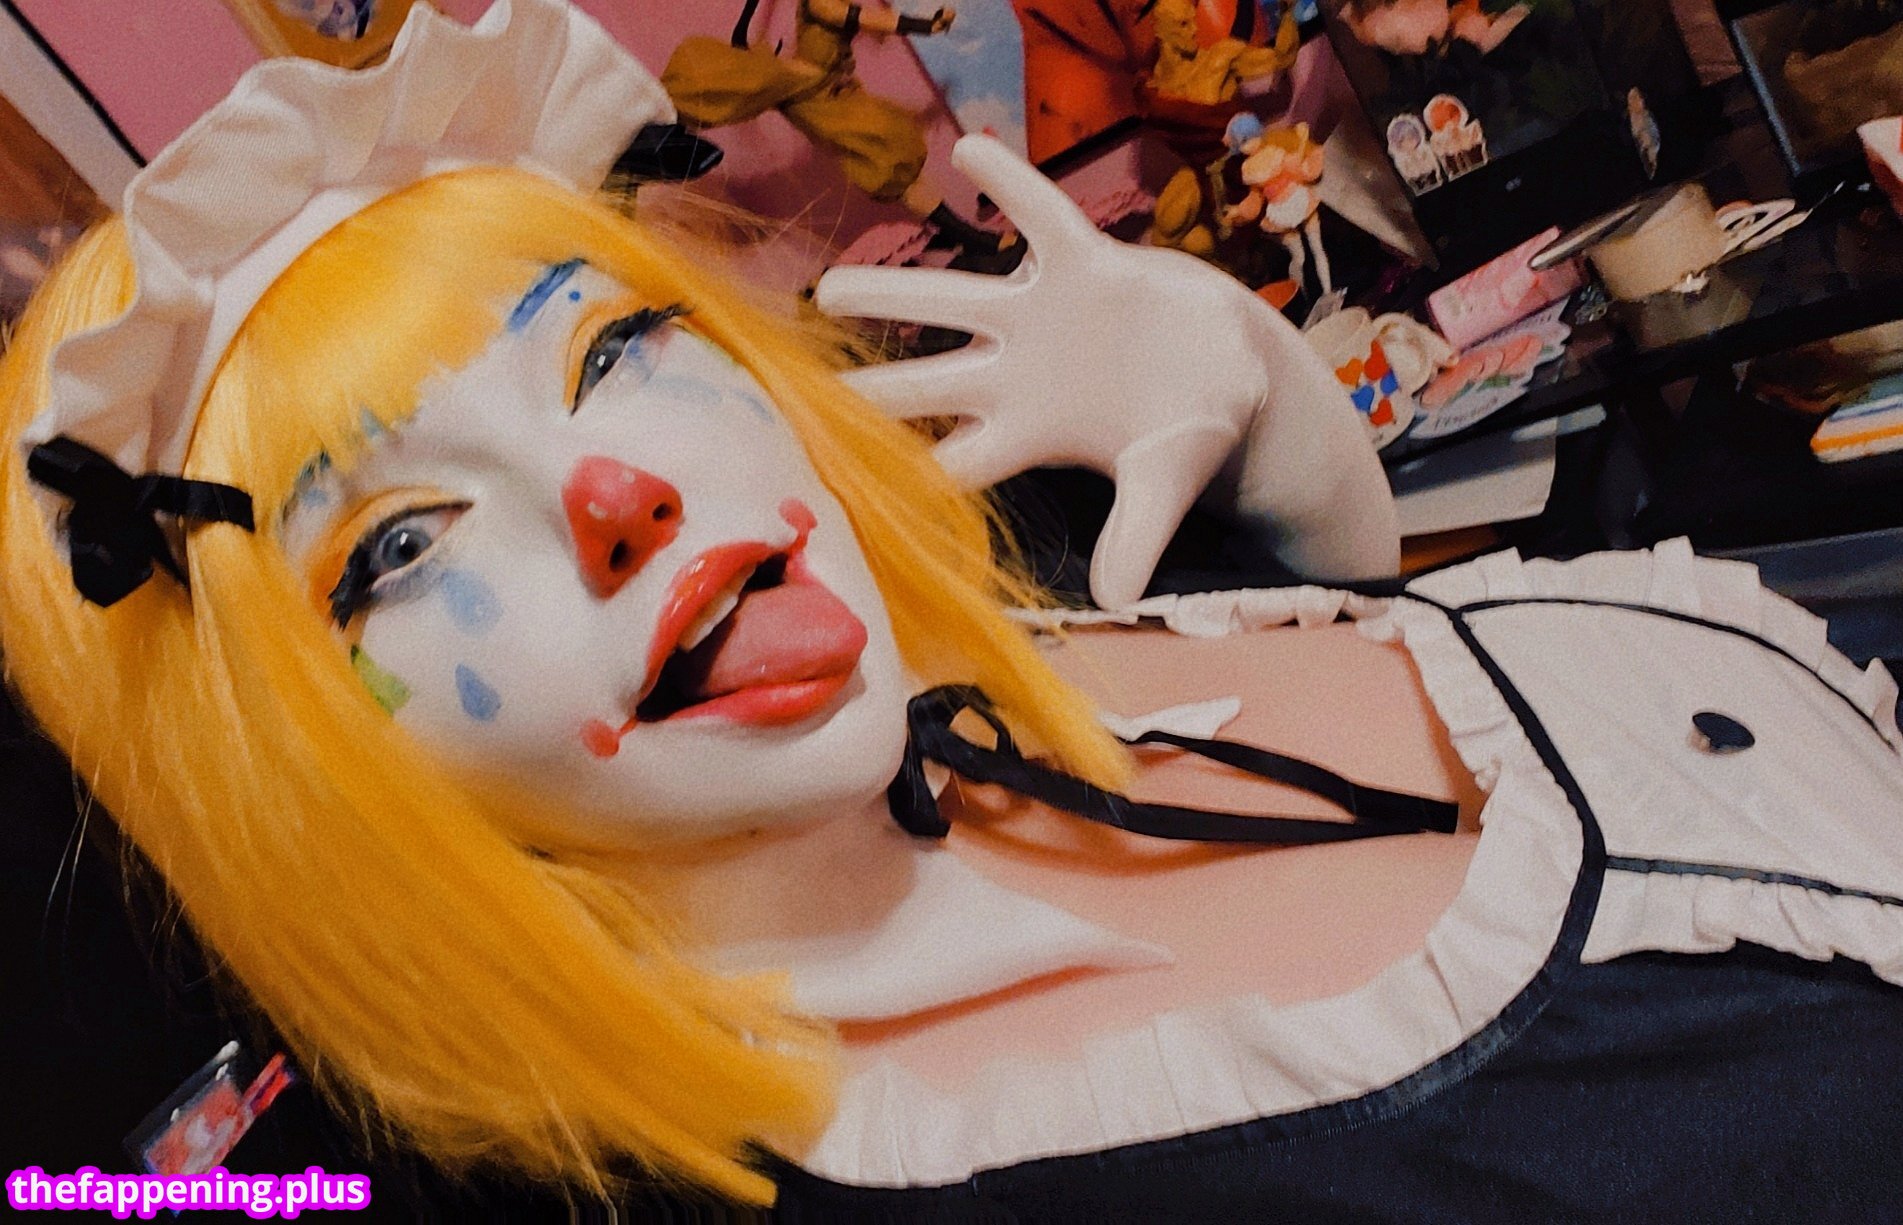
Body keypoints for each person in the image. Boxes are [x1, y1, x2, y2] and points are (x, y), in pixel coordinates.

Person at [5, 1, 1901, 1217]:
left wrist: (1261, 406)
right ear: (290, 757)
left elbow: (1353, 614)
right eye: (403, 544)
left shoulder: (1027, 584)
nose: (614, 493)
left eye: (615, 348)